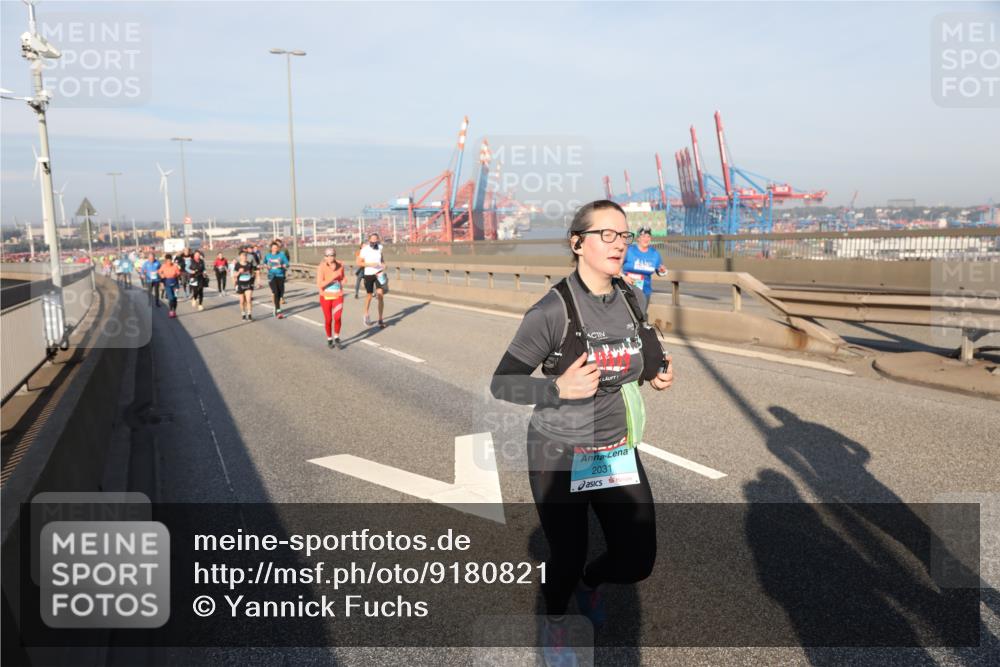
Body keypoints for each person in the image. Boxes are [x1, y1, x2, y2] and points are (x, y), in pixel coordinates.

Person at [489, 200, 674, 665]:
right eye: (606, 235)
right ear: (578, 244)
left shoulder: (632, 296)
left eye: (624, 236)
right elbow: (502, 383)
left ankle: (592, 582)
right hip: (559, 450)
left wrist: (655, 371)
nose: (619, 244)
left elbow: (644, 348)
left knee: (637, 560)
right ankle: (556, 623)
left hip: (613, 450)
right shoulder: (552, 310)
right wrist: (557, 388)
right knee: (566, 556)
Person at [621, 226, 666, 307]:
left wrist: (662, 271)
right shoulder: (629, 250)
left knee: (641, 315)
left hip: (645, 292)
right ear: (638, 238)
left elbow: (660, 270)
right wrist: (623, 276)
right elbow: (616, 266)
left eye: (648, 236)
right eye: (643, 236)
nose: (646, 239)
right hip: (628, 289)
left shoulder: (654, 253)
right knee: (627, 315)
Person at [316, 247, 345, 349]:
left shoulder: (340, 265)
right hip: (325, 296)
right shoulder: (321, 267)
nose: (330, 257)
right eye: (328, 256)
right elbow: (320, 284)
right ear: (325, 257)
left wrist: (343, 280)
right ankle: (329, 339)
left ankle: (337, 337)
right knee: (328, 319)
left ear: (335, 256)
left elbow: (342, 277)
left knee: (337, 317)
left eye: (332, 255)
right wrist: (332, 278)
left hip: (338, 295)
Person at [359, 233, 387, 328]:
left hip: (378, 273)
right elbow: (359, 262)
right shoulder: (364, 249)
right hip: (369, 274)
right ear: (369, 239)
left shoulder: (380, 247)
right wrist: (370, 264)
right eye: (373, 239)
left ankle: (380, 319)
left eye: (376, 239)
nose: (374, 240)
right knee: (369, 295)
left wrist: (383, 264)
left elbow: (381, 259)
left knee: (380, 295)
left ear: (378, 239)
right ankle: (366, 314)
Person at [263, 241, 290, 319]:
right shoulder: (268, 256)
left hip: (280, 275)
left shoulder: (282, 255)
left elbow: (287, 264)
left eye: (276, 248)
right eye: (273, 247)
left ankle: (276, 306)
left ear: (278, 248)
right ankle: (278, 310)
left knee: (281, 292)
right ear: (271, 248)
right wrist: (266, 266)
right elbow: (264, 263)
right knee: (276, 292)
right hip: (271, 276)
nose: (275, 249)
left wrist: (281, 265)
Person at [233, 250, 257, 321]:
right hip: (240, 284)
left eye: (245, 256)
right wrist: (239, 272)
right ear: (240, 257)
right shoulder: (237, 265)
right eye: (243, 256)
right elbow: (234, 275)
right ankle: (243, 314)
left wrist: (252, 274)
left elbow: (253, 273)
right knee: (242, 301)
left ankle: (249, 315)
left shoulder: (249, 264)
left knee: (249, 300)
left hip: (248, 284)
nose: (244, 257)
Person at [157, 253, 182, 318]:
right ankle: (171, 311)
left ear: (171, 260)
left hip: (175, 284)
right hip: (167, 284)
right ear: (165, 260)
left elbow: (179, 273)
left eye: (170, 260)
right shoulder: (163, 266)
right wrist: (162, 276)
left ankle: (174, 311)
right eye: (167, 261)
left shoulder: (175, 266)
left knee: (175, 298)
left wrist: (178, 274)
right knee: (171, 298)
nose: (169, 262)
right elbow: (159, 272)